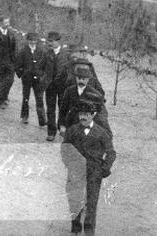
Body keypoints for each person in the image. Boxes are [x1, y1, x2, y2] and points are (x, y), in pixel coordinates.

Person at [63, 100, 116, 235]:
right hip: (76, 171)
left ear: (93, 115)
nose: (83, 117)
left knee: (91, 202)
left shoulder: (101, 133)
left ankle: (89, 230)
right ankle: (75, 228)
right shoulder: (72, 131)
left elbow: (111, 152)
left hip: (94, 172)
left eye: (86, 114)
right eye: (81, 114)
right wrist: (69, 164)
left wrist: (104, 168)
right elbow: (65, 149)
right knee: (75, 199)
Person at [60, 64, 112, 138]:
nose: (81, 81)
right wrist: (62, 125)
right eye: (79, 78)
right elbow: (63, 110)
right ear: (75, 78)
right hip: (72, 124)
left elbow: (101, 115)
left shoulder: (94, 94)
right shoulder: (69, 91)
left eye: (84, 79)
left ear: (88, 79)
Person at [44, 31, 72, 141]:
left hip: (63, 86)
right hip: (50, 86)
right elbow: (40, 68)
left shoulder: (66, 55)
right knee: (50, 109)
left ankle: (62, 128)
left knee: (63, 107)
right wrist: (43, 79)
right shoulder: (46, 54)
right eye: (48, 41)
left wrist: (68, 82)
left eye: (52, 41)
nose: (49, 43)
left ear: (58, 41)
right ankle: (51, 132)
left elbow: (70, 70)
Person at [16, 32, 48, 125]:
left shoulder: (41, 51)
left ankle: (42, 120)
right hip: (27, 78)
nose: (33, 42)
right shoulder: (23, 51)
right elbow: (17, 65)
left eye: (35, 41)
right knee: (26, 97)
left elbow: (45, 65)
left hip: (38, 79)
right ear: (28, 40)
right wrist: (22, 74)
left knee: (39, 98)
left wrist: (42, 75)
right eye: (31, 40)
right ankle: (24, 116)